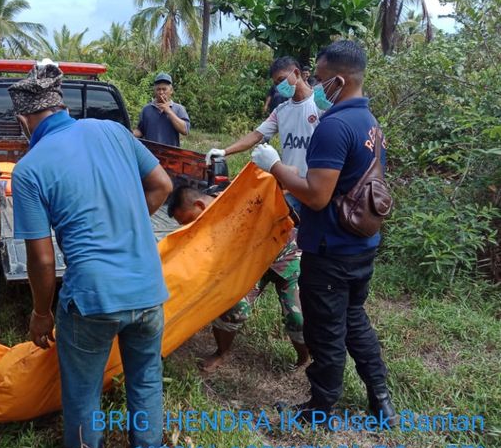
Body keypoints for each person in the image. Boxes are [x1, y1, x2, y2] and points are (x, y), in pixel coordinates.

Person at [9, 63, 173, 448]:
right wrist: (129, 222)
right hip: (149, 289)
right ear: (60, 104)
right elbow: (163, 185)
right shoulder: (113, 131)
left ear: (24, 120)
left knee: (83, 391)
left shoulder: (29, 169)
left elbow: (42, 257)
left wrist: (42, 313)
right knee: (146, 380)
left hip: (93, 297)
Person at [251, 40, 397, 425]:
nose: (314, 85)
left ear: (338, 80)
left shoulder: (334, 126)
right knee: (354, 319)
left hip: (331, 249)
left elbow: (316, 196)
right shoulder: (370, 122)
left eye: (317, 78)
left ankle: (320, 409)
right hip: (362, 244)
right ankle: (380, 399)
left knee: (327, 330)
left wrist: (276, 166)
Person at [167, 186, 308, 372]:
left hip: (285, 254)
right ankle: (221, 353)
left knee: (298, 317)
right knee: (231, 308)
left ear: (200, 205)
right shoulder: (206, 225)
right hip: (251, 263)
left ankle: (304, 359)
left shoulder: (240, 193)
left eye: (188, 221)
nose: (188, 228)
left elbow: (286, 178)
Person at [206, 56, 321, 216]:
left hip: (317, 187)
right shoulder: (281, 111)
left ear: (297, 73)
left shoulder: (321, 104)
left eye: (282, 80)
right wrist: (224, 151)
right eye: (276, 83)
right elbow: (256, 135)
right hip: (292, 185)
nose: (280, 86)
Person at [132, 72, 190, 146]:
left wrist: (168, 111)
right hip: (150, 154)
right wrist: (129, 134)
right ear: (154, 90)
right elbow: (141, 131)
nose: (161, 92)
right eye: (158, 89)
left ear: (171, 90)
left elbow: (185, 131)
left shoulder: (179, 109)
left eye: (164, 89)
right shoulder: (146, 109)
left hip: (170, 155)